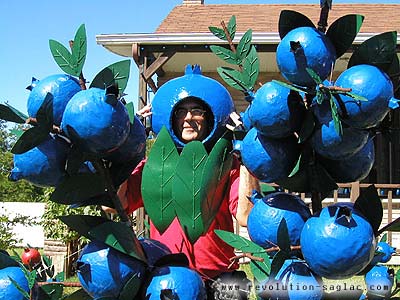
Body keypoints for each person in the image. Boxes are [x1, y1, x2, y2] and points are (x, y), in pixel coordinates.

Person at [111, 65, 260, 299]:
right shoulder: (154, 166)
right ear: (171, 116)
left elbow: (246, 216)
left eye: (197, 110)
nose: (188, 118)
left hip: (220, 279)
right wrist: (126, 145)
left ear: (210, 116)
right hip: (169, 278)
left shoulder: (227, 165)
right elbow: (114, 204)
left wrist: (246, 155)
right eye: (181, 111)